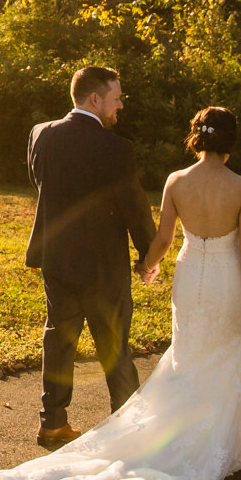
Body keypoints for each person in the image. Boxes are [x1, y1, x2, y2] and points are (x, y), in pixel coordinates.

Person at [0, 106, 241, 480]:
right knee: (223, 361)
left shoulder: (176, 181)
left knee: (186, 357)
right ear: (231, 141)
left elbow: (163, 237)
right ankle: (218, 448)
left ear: (197, 137)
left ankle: (172, 438)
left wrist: (147, 265)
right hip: (226, 283)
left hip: (190, 279)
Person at [22, 66, 155, 450]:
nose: (121, 106)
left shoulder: (40, 134)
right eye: (116, 97)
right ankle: (127, 427)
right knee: (113, 343)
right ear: (94, 98)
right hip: (103, 264)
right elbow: (134, 206)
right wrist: (148, 255)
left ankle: (53, 422)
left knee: (58, 339)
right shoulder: (116, 148)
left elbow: (40, 181)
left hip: (56, 256)